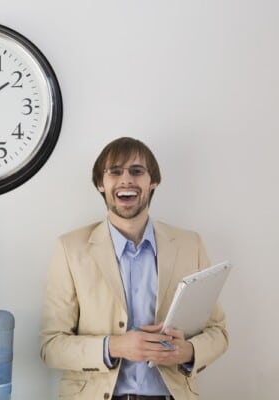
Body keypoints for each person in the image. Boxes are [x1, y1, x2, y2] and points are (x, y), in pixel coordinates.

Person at [40, 137, 228, 400]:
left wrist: (186, 352)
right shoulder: (70, 249)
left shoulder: (190, 245)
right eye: (114, 171)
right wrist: (115, 346)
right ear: (100, 184)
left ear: (153, 182)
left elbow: (217, 332)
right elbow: (52, 347)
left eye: (137, 171)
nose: (126, 179)